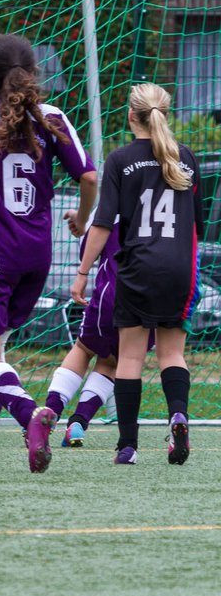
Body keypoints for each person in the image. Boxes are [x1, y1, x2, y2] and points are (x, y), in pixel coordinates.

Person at [0, 34, 97, 472]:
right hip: (37, 255)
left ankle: (31, 415)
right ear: (33, 75)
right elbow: (88, 178)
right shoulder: (54, 118)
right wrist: (82, 221)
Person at [70, 82, 202, 465]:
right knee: (172, 352)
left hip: (137, 267)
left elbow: (103, 223)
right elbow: (198, 219)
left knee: (129, 358)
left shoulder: (120, 159)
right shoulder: (187, 159)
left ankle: (127, 446)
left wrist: (82, 272)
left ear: (131, 116)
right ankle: (178, 414)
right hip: (179, 269)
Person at [45, 228, 119, 447]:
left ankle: (50, 415)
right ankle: (78, 422)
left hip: (111, 293)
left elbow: (91, 244)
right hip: (148, 298)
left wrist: (82, 273)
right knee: (111, 361)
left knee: (84, 348)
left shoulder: (115, 201)